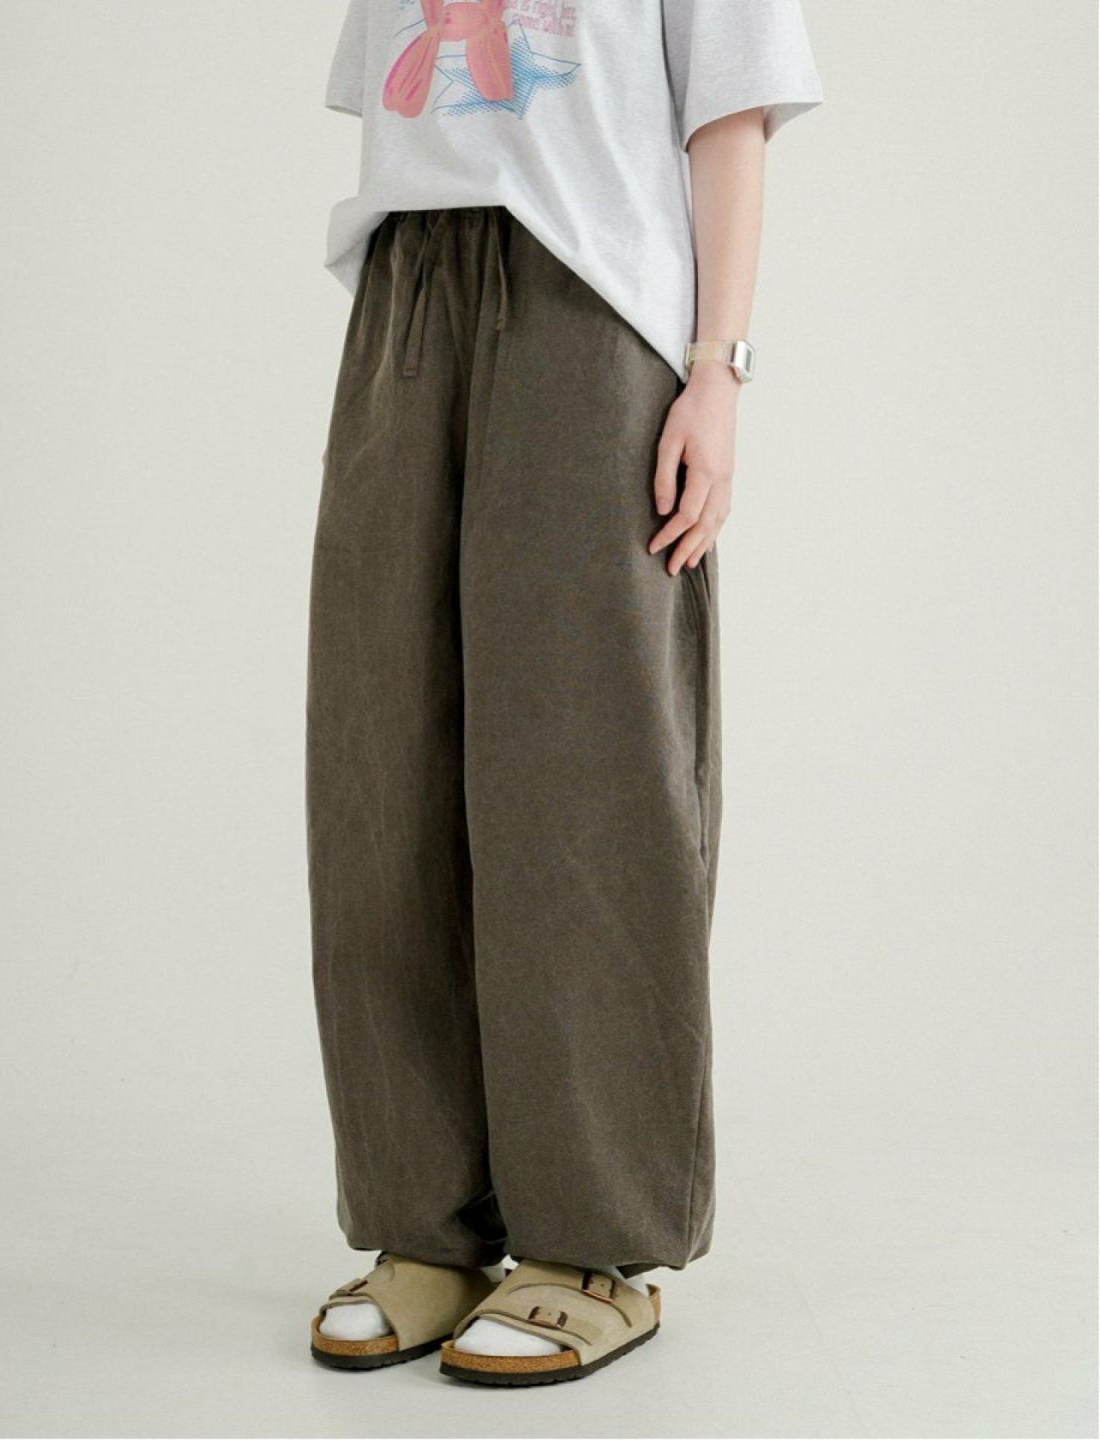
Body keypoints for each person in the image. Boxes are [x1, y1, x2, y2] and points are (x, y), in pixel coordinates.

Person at [306, 0, 821, 1387]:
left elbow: (731, 113)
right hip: (409, 288)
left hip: (592, 299)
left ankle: (591, 1242)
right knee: (382, 762)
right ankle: (427, 1221)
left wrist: (717, 372)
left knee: (578, 770)